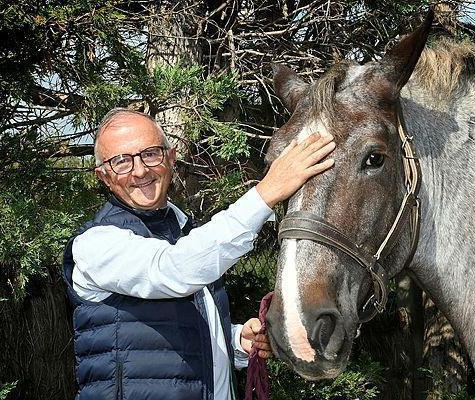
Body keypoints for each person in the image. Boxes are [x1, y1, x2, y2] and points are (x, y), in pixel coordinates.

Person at [62, 108, 335, 400]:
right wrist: (266, 193)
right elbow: (173, 270)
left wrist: (235, 341)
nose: (140, 170)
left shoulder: (185, 233)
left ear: (171, 157)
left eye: (150, 154)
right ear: (103, 176)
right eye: (121, 161)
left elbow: (172, 332)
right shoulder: (95, 244)